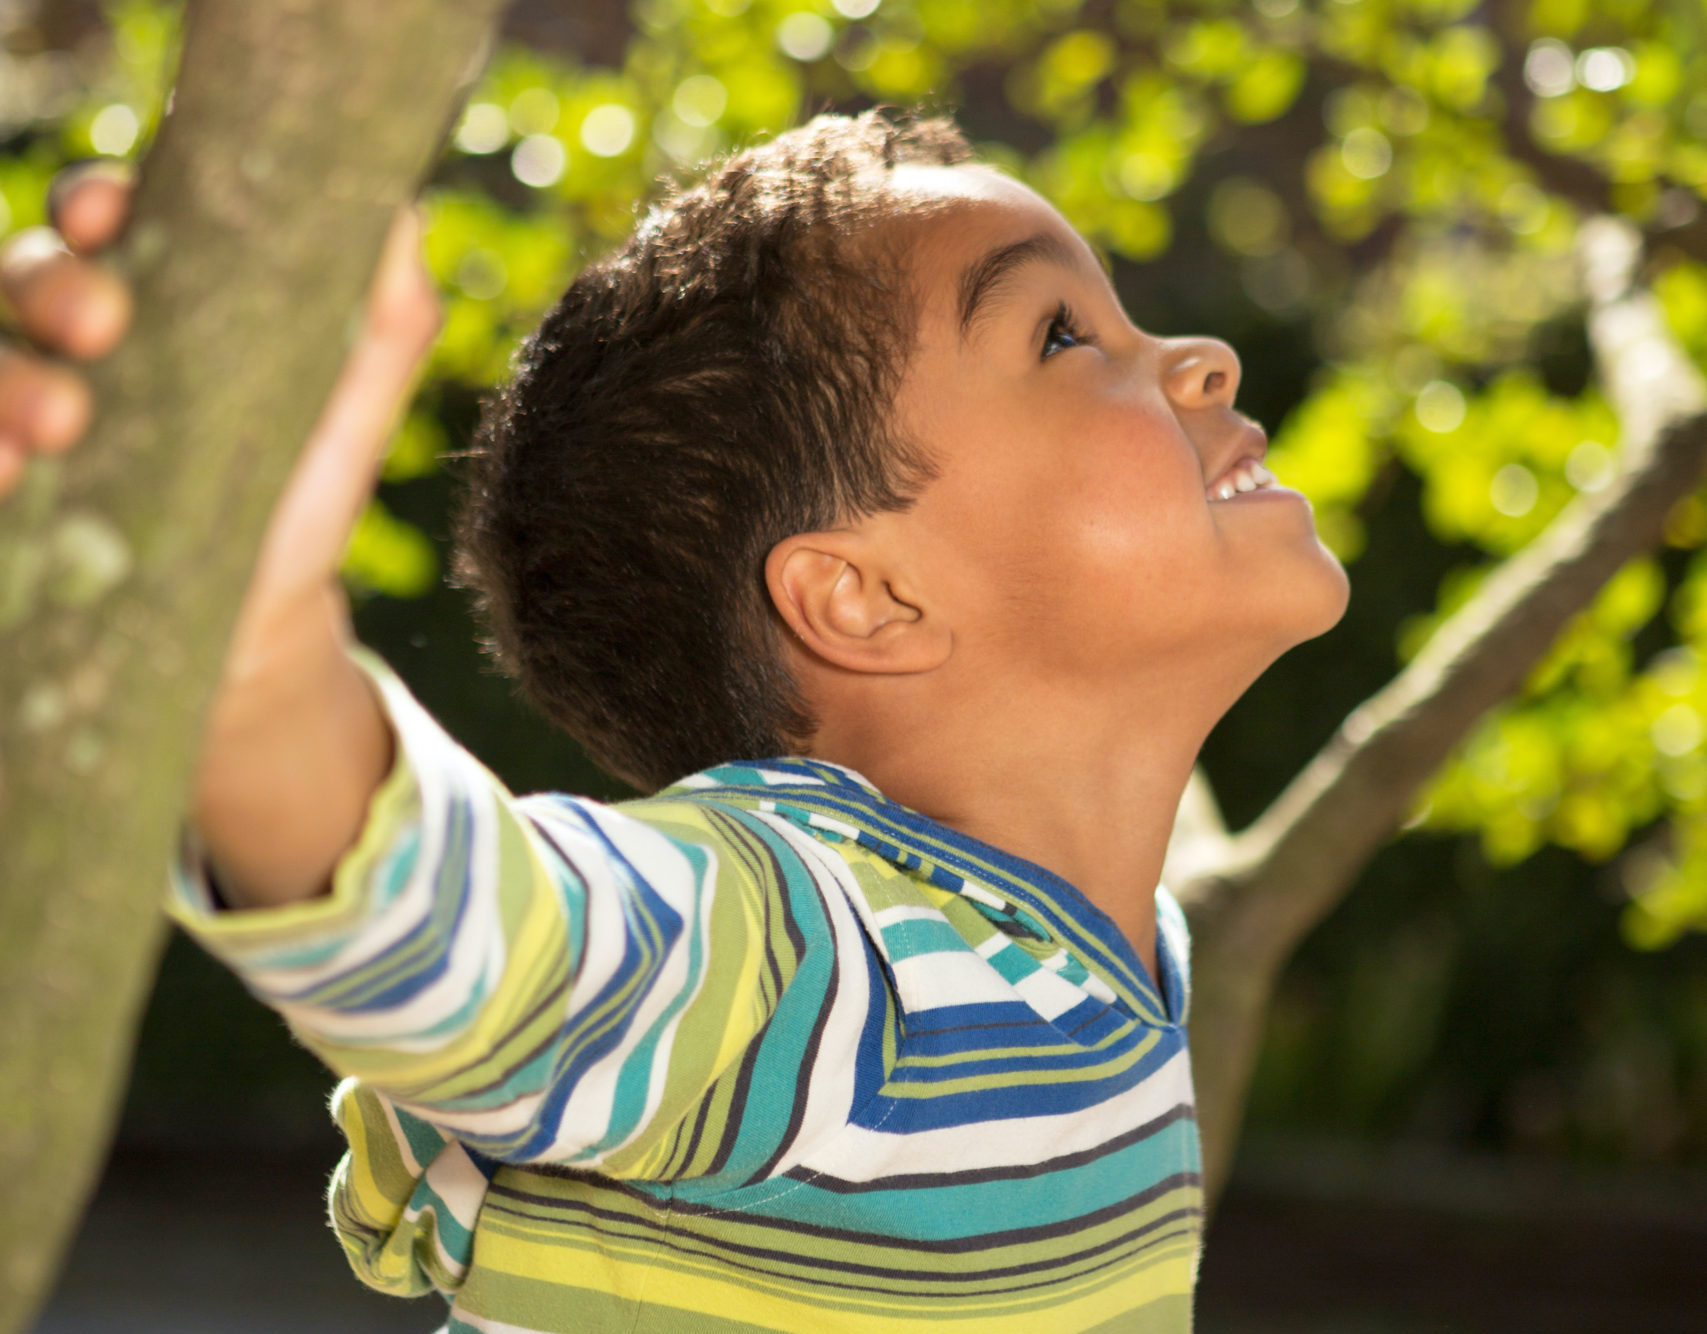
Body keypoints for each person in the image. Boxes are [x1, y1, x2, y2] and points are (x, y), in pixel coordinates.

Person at [0, 107, 1349, 1332]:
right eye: (1063, 333)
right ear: (865, 596)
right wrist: (251, 651)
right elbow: (491, 948)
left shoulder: (1108, 961)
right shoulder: (819, 955)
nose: (1206, 358)